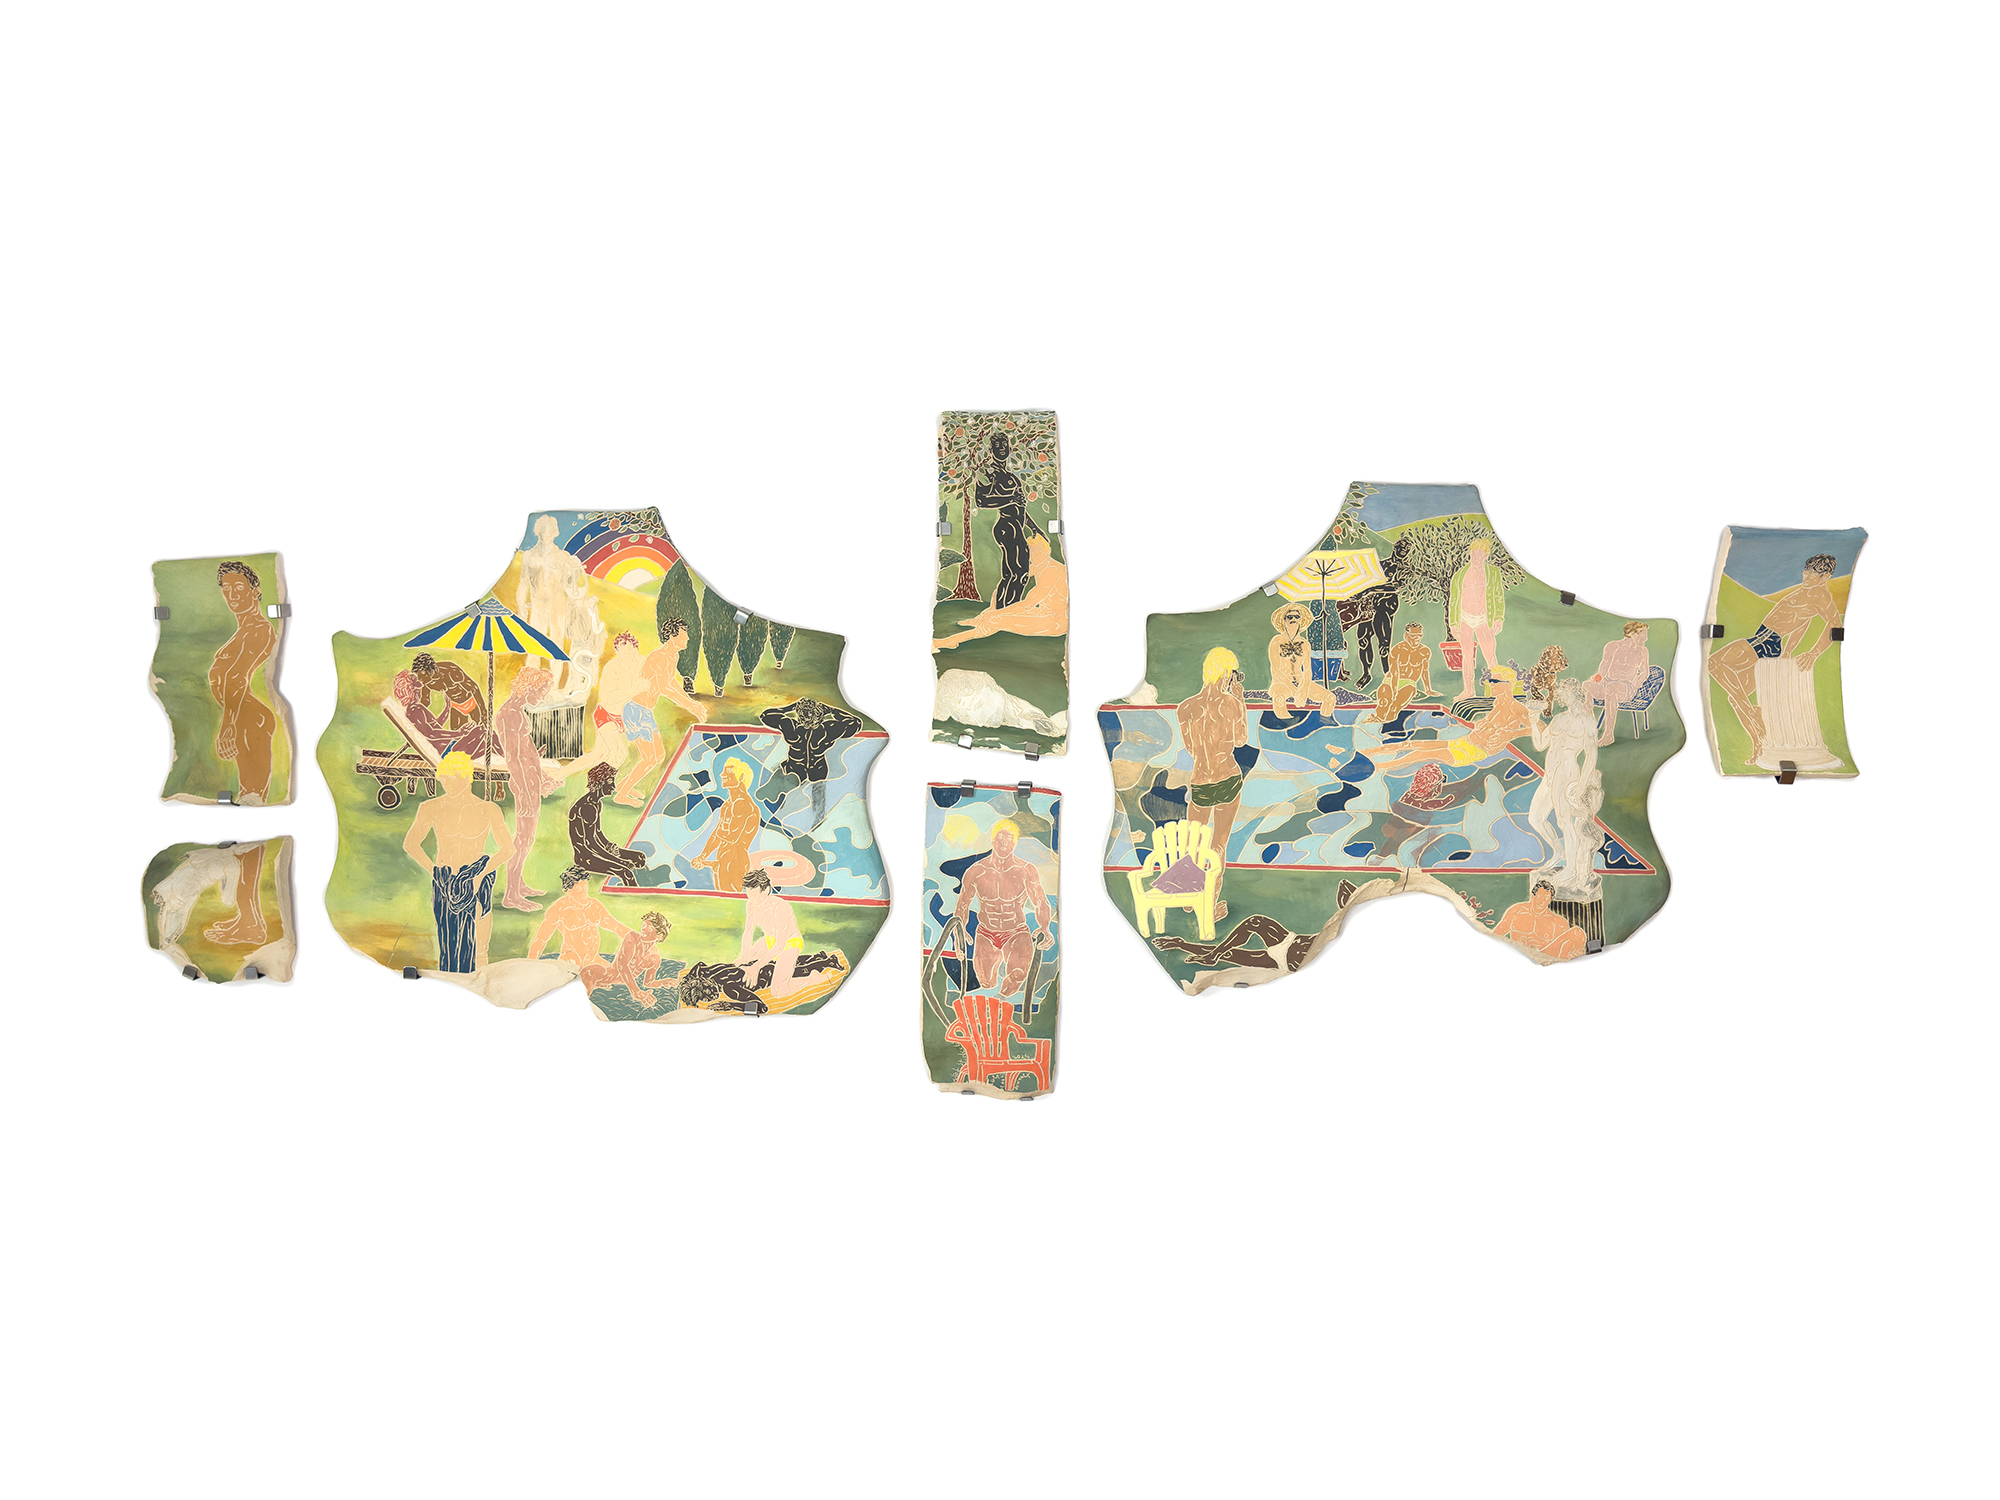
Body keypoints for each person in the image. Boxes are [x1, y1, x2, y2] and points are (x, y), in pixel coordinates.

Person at [1706, 554, 1843, 764]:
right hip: (1768, 643)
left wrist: (1813, 653)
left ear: (1825, 577)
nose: (1807, 576)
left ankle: (1751, 711)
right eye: (1807, 570)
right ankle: (1758, 745)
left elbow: (1835, 625)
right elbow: (1802, 622)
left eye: (1814, 573)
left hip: (1765, 640)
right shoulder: (1808, 591)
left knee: (1714, 663)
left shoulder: (1819, 594)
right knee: (1735, 698)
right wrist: (1788, 651)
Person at [402, 750, 514, 973]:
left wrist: (480, 875)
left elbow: (508, 849)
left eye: (451, 779)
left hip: (477, 876)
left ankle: (481, 982)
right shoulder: (431, 808)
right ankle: (451, 981)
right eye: (443, 780)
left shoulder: (488, 809)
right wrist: (434, 871)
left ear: (465, 777)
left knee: (479, 947)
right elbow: (411, 844)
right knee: (448, 943)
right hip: (445, 879)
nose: (446, 784)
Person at [952, 820, 1054, 1003]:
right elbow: (963, 904)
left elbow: (1040, 901)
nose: (1004, 843)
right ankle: (992, 1003)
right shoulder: (976, 871)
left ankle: (1001, 1001)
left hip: (1016, 931)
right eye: (1000, 838)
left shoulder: (1026, 870)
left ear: (1015, 843)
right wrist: (958, 934)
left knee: (1018, 975)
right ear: (993, 841)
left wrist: (1045, 927)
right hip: (986, 932)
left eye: (1009, 839)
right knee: (986, 982)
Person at [1366, 665, 1533, 774]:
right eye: (1490, 680)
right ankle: (1366, 753)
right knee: (1408, 744)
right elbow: (1490, 724)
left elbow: (1537, 729)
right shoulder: (1497, 703)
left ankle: (1375, 768)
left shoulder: (1516, 708)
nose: (1490, 684)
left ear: (1508, 684)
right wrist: (1479, 724)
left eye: (1495, 681)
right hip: (1465, 741)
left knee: (1420, 754)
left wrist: (1510, 734)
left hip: (1474, 752)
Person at [207, 560, 280, 802]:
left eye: (239, 588)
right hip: (244, 718)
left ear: (255, 591)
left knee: (252, 797)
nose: (232, 595)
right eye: (226, 589)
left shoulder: (258, 629)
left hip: (251, 722)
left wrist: (228, 725)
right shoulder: (243, 631)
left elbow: (237, 676)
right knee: (247, 795)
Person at [1177, 647, 1251, 882]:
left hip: (1201, 783)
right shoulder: (1231, 703)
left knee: (1194, 844)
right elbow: (1241, 740)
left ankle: (1192, 894)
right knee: (1218, 844)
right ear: (1226, 673)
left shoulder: (1185, 708)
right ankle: (1211, 899)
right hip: (1228, 778)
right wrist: (1240, 700)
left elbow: (1191, 749)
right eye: (1232, 673)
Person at [934, 536, 1068, 649]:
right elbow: (1012, 578)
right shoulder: (1039, 566)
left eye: (1039, 549)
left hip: (1056, 622)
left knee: (996, 619)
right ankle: (980, 619)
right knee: (998, 603)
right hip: (1043, 613)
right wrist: (993, 607)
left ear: (1047, 551)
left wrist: (996, 613)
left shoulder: (1051, 570)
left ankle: (952, 640)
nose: (1035, 554)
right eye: (1032, 549)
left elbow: (1028, 604)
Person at [492, 666, 552, 911]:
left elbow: (528, 752)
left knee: (528, 837)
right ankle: (511, 894)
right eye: (541, 692)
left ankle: (519, 884)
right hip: (524, 782)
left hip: (530, 779)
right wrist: (525, 794)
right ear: (529, 688)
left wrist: (543, 776)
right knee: (523, 837)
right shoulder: (510, 714)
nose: (543, 697)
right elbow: (513, 758)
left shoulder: (517, 711)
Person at [735, 867, 843, 1000]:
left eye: (756, 895)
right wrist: (744, 958)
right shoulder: (751, 906)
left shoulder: (780, 908)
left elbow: (780, 945)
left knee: (778, 990)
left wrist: (756, 967)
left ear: (766, 890)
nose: (753, 899)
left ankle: (811, 978)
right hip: (769, 940)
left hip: (789, 943)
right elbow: (748, 932)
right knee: (742, 962)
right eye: (749, 895)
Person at [759, 696, 863, 827]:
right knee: (818, 794)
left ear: (799, 714)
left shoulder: (791, 726)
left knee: (785, 773)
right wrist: (831, 710)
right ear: (820, 715)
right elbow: (855, 723)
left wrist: (790, 708)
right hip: (817, 769)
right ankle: (817, 820)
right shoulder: (827, 730)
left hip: (795, 766)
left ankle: (778, 786)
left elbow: (765, 716)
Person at [975, 432, 1044, 609]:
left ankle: (1002, 611)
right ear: (990, 450)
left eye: (1005, 445)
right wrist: (1011, 499)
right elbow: (981, 501)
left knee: (1012, 574)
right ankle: (1008, 611)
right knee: (1019, 573)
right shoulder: (988, 473)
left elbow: (1021, 508)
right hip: (1007, 525)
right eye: (997, 446)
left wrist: (1034, 528)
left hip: (1016, 526)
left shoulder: (1012, 477)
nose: (1002, 449)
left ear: (1009, 449)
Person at [529, 866, 635, 970]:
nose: (584, 893)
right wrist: (531, 964)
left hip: (594, 959)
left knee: (616, 974)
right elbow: (541, 939)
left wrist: (637, 938)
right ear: (569, 890)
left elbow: (616, 927)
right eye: (579, 889)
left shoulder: (594, 906)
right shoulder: (559, 909)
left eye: (585, 888)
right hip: (571, 959)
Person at [1447, 532, 1508, 698]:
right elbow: (1454, 600)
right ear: (1470, 553)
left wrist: (1498, 618)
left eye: (1480, 554)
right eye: (1474, 553)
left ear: (1486, 556)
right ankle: (1468, 691)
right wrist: (1453, 622)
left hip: (1483, 618)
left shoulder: (1493, 573)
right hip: (1464, 618)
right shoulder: (1460, 574)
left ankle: (1498, 691)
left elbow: (1498, 596)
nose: (1476, 557)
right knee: (1467, 656)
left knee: (1490, 655)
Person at [568, 761, 646, 883]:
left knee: (638, 857)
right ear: (599, 783)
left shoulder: (596, 803)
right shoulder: (588, 807)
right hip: (586, 857)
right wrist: (620, 861)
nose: (614, 786)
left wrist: (609, 846)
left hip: (595, 850)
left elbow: (598, 833)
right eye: (610, 782)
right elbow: (590, 843)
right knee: (626, 873)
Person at [691, 755, 760, 892]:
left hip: (735, 863)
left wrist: (707, 861)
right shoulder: (728, 805)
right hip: (723, 860)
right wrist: (703, 856)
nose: (722, 775)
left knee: (731, 897)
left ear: (741, 777)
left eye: (728, 772)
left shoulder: (743, 804)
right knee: (723, 898)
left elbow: (732, 837)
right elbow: (717, 834)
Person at [390, 669, 494, 758]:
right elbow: (430, 733)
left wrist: (447, 708)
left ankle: (499, 761)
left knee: (487, 742)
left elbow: (435, 726)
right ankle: (501, 762)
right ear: (411, 689)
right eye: (418, 685)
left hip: (450, 746)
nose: (421, 687)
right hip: (448, 751)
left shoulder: (416, 708)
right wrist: (459, 733)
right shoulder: (415, 710)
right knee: (484, 732)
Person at [579, 910, 675, 1004]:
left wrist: (664, 982)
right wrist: (636, 992)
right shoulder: (632, 938)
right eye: (643, 925)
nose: (643, 929)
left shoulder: (654, 958)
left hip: (614, 984)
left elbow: (648, 983)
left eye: (649, 928)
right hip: (604, 975)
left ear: (659, 936)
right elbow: (622, 965)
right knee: (589, 973)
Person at [1586, 622, 1652, 745]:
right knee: (1586, 685)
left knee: (1611, 688)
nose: (1646, 638)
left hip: (1627, 688)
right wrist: (1597, 679)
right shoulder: (1612, 646)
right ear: (1632, 634)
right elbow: (1604, 667)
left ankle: (1608, 735)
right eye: (1643, 635)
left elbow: (1644, 672)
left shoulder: (1643, 651)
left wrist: (1636, 683)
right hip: (1608, 682)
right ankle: (1588, 727)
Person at [1493, 879, 1588, 961]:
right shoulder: (1516, 911)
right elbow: (1496, 935)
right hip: (1517, 955)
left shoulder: (1557, 922)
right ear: (1532, 895)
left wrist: (1576, 952)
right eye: (1539, 896)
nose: (1541, 901)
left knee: (1577, 932)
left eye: (1546, 897)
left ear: (1550, 900)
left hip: (1544, 956)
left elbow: (1562, 947)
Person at [1364, 623, 1434, 723]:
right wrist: (1394, 690)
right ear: (1406, 636)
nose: (1417, 639)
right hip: (1390, 680)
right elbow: (1394, 672)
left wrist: (1428, 689)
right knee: (1384, 702)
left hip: (1409, 683)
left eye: (1419, 635)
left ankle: (1387, 723)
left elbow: (1425, 671)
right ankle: (1377, 719)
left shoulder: (1425, 651)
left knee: (1394, 707)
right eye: (1413, 636)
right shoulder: (1397, 649)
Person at [409, 652, 486, 732]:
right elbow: (425, 701)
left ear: (431, 671)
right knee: (457, 734)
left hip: (471, 703)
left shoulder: (451, 670)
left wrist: (484, 712)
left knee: (480, 730)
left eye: (423, 679)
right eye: (420, 679)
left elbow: (473, 687)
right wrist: (418, 716)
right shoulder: (426, 683)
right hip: (456, 706)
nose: (421, 682)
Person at [1265, 603, 1314, 707]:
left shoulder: (1305, 644)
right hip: (1281, 683)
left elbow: (1307, 670)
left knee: (1330, 698)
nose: (1293, 619)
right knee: (1279, 699)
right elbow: (1275, 669)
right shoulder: (1276, 641)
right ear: (1283, 620)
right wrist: (1293, 690)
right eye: (1289, 617)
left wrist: (1304, 689)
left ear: (1301, 620)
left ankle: (1325, 718)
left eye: (1297, 616)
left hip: (1300, 682)